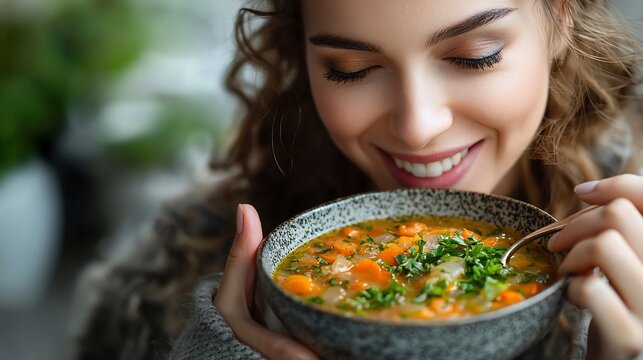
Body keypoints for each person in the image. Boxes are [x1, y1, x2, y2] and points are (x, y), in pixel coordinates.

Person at [70, 0, 642, 359]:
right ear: (302, 59)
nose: (418, 128)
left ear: (562, 19)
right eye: (352, 70)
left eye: (475, 56)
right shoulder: (177, 261)